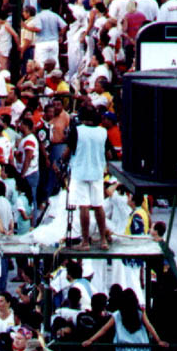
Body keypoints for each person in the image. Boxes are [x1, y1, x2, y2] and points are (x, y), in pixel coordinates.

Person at [66, 106, 110, 249]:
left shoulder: (77, 131)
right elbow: (109, 154)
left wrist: (59, 162)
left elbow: (68, 151)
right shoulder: (103, 132)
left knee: (83, 207)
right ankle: (103, 240)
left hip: (80, 172)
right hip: (97, 172)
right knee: (98, 206)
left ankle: (85, 242)